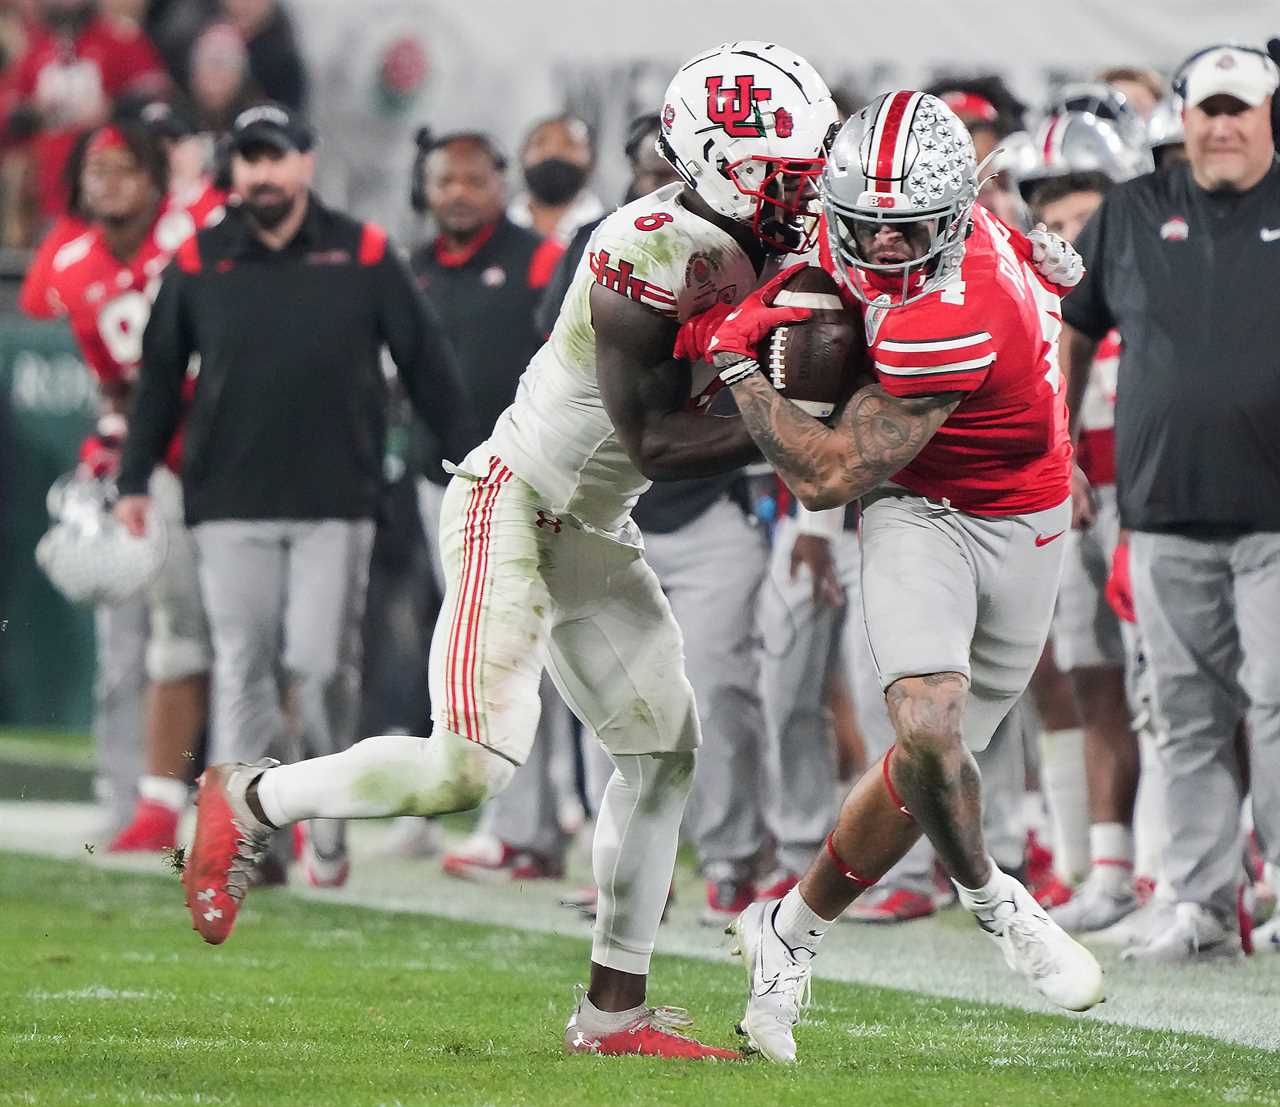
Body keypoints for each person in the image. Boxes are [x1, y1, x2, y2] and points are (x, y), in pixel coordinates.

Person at [176, 41, 838, 1060]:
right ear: (718, 159)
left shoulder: (776, 245)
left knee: (661, 756)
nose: (802, 193)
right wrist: (791, 410)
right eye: (784, 171)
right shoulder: (644, 245)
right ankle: (250, 796)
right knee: (469, 768)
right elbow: (653, 444)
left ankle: (611, 1015)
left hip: (593, 529)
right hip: (514, 505)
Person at [678, 91, 1103, 1062]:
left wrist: (742, 368)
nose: (875, 253)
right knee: (925, 727)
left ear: (951, 214)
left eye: (903, 231)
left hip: (1019, 517)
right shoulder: (861, 226)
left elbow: (824, 472)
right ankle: (996, 900)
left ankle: (788, 931)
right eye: (860, 229)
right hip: (922, 508)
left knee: (926, 772)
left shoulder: (951, 307)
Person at [115, 102, 470, 887]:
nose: (263, 172)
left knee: (317, 666)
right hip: (228, 499)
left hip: (334, 498)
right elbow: (160, 381)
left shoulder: (365, 252)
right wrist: (134, 478)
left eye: (276, 156)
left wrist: (468, 463)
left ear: (307, 162)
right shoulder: (201, 259)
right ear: (233, 170)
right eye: (249, 158)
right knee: (241, 666)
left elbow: (427, 363)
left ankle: (329, 820)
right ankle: (248, 841)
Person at [1061, 44, 1280, 961]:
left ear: (1270, 115)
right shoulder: (1131, 211)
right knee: (1186, 715)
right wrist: (1059, 445)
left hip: (1276, 512)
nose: (1222, 125)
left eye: (1241, 109)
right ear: (1182, 117)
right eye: (1207, 109)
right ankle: (1198, 901)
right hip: (1161, 509)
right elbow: (1072, 329)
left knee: (1277, 705)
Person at [20, 121, 221, 847]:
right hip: (145, 459)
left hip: (224, 451)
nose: (106, 181)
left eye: (123, 167)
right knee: (131, 643)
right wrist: (112, 447)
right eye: (95, 169)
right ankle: (132, 796)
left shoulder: (198, 225)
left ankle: (247, 801)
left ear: (155, 176)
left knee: (233, 637)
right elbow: (111, 382)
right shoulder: (70, 259)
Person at [405, 127, 573, 877]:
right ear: (426, 188)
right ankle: (523, 822)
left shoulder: (540, 259)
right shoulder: (408, 270)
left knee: (538, 653)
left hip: (531, 481)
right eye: (446, 180)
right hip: (441, 485)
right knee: (488, 656)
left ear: (501, 185)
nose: (460, 193)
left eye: (474, 179)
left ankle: (543, 821)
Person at [5, 0, 168, 224]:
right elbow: (10, 117)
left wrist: (112, 108)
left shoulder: (117, 39)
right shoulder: (36, 47)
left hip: (111, 191)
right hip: (50, 194)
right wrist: (35, 111)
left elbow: (156, 94)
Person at [507, 114, 603, 245]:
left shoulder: (613, 233)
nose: (553, 152)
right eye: (540, 143)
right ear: (522, 156)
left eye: (569, 144)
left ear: (592, 161)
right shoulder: (494, 229)